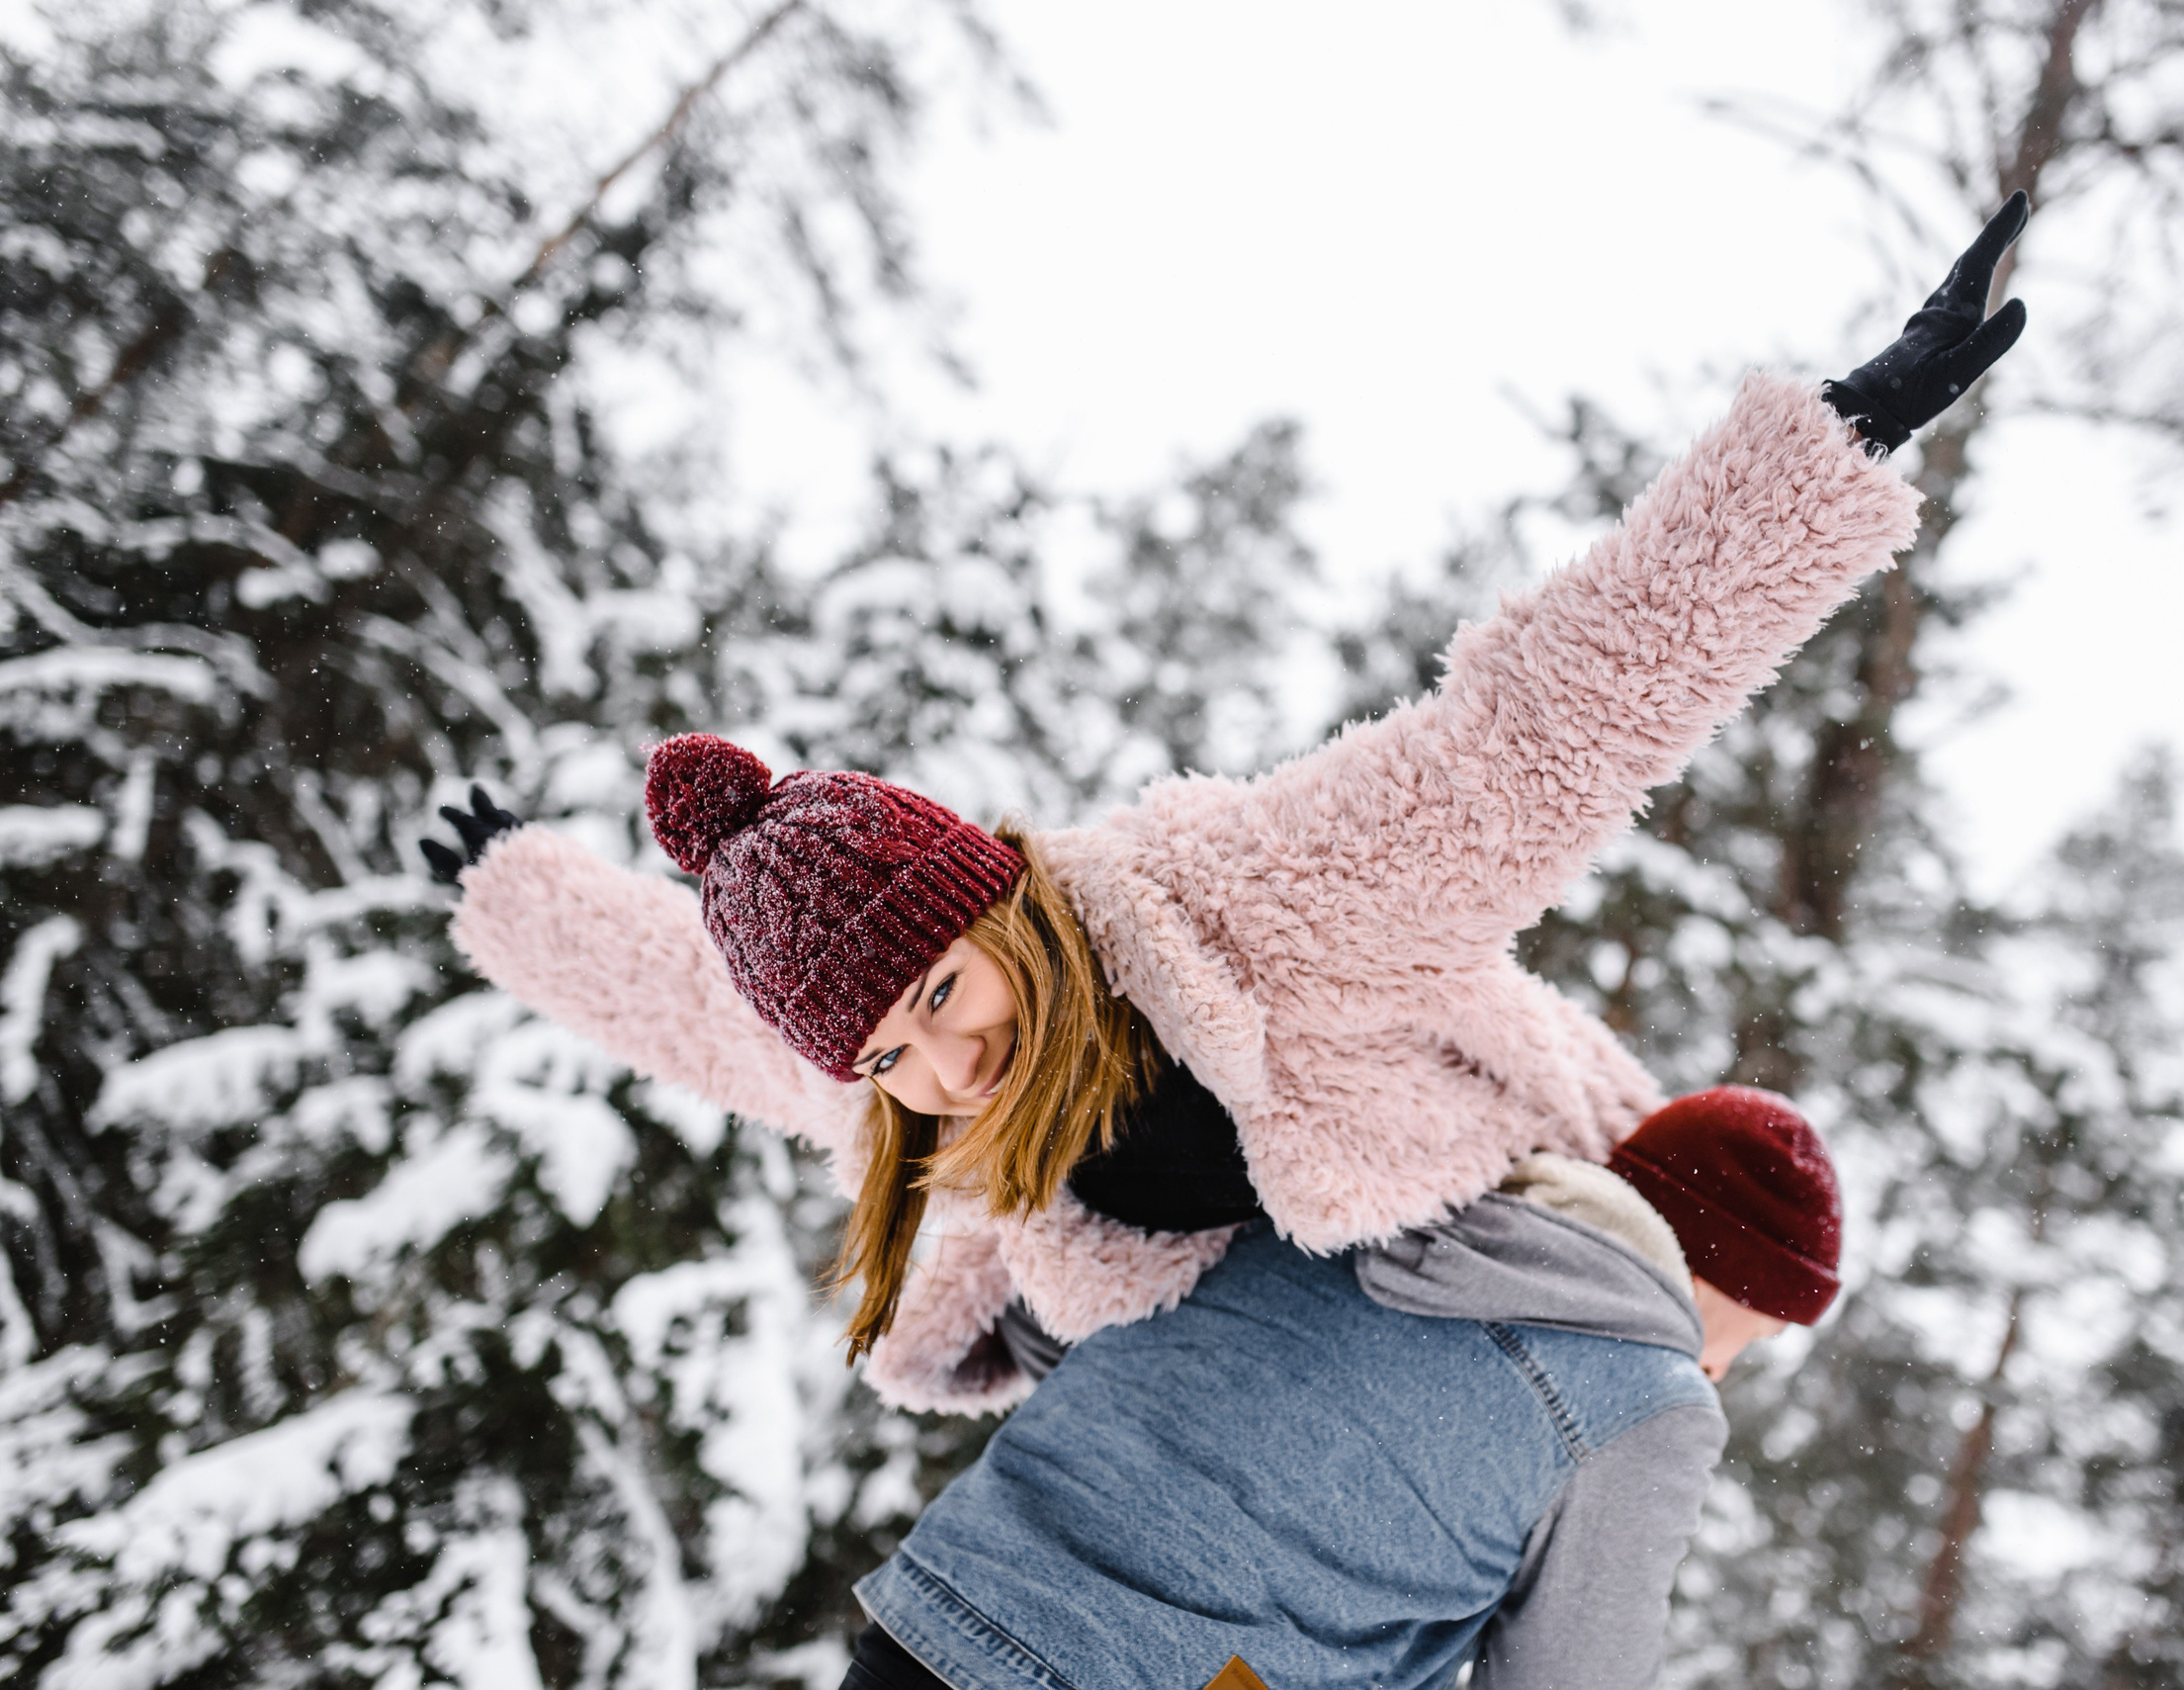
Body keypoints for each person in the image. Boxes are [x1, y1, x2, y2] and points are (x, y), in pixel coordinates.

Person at [425, 196, 2028, 1414]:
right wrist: (511, 890)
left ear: (998, 903)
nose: (941, 1063)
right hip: (1252, 1440)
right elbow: (691, 1006)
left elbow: (1531, 729)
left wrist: (1837, 439)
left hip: (1511, 1264)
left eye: (935, 994)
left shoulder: (1254, 899)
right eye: (889, 1055)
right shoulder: (928, 1112)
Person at [836, 1086, 1842, 1690]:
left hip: (952, 1603)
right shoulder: (1650, 1392)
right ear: (1711, 1272)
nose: (1716, 1365)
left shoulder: (1362, 1189)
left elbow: (1091, 1334)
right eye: (1741, 1338)